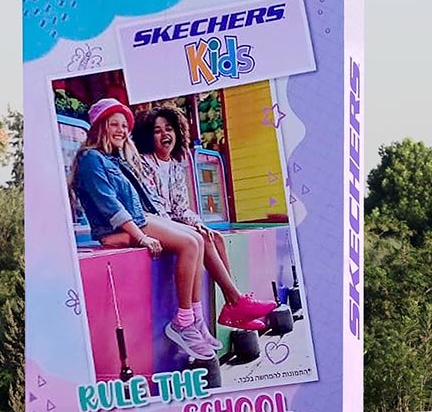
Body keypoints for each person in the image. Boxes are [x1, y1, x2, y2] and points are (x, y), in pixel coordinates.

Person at [70, 97, 218, 363]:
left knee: (196, 238)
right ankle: (182, 322)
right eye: (114, 124)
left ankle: (195, 319)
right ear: (100, 126)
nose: (121, 130)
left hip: (141, 218)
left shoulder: (115, 159)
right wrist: (141, 237)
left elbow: (141, 197)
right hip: (125, 226)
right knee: (188, 245)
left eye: (124, 126)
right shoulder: (91, 158)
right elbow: (109, 204)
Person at [132, 106, 277, 332]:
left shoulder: (176, 166)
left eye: (169, 129)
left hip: (171, 223)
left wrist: (197, 223)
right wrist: (189, 228)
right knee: (203, 238)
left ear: (178, 133)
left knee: (214, 236)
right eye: (157, 131)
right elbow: (152, 207)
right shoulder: (143, 163)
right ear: (148, 137)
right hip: (153, 224)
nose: (164, 135)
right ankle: (236, 303)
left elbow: (181, 207)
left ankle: (233, 306)